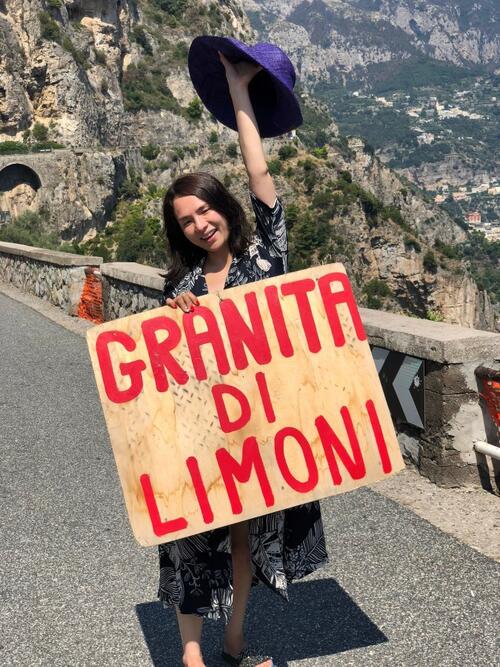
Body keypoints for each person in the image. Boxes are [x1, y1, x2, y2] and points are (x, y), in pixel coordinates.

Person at [160, 51, 328, 667]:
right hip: (203, 432)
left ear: (223, 209)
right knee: (189, 541)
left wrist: (239, 92)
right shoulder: (177, 291)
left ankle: (233, 640)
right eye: (188, 220)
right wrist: (169, 325)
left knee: (246, 542)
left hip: (257, 429)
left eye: (206, 209)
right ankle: (191, 653)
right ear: (180, 233)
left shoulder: (266, 265)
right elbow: (164, 374)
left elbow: (261, 177)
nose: (201, 224)